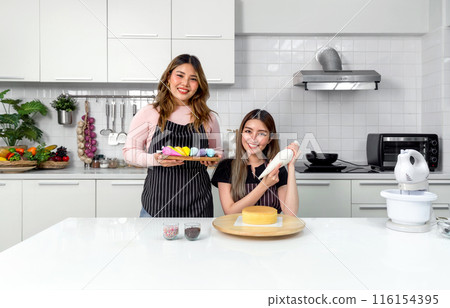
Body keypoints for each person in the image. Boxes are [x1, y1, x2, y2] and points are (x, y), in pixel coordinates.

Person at [123, 54, 222, 218]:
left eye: (193, 79)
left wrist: (214, 158)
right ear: (168, 77)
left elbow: (217, 150)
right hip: (157, 205)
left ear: (199, 85)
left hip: (198, 206)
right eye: (180, 75)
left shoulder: (208, 117)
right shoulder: (150, 113)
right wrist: (155, 159)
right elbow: (129, 151)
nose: (185, 83)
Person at [211, 109, 299, 216]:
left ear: (270, 139)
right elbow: (229, 212)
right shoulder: (226, 167)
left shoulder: (277, 167)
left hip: (271, 230)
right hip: (239, 231)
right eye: (248, 131)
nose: (253, 138)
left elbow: (291, 213)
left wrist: (291, 166)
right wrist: (265, 184)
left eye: (261, 133)